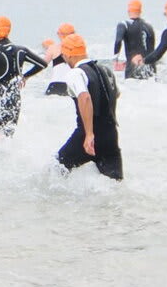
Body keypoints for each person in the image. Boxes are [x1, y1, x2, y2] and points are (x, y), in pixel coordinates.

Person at [49, 33, 122, 180]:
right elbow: (116, 94)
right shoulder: (105, 70)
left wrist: (89, 134)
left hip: (87, 136)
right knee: (114, 184)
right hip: (110, 134)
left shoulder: (76, 73)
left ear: (68, 54)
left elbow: (85, 97)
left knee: (55, 171)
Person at [114, 0, 158, 80]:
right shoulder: (149, 27)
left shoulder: (124, 24)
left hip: (133, 67)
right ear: (140, 11)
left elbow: (118, 41)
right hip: (150, 69)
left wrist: (115, 60)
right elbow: (152, 50)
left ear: (128, 10)